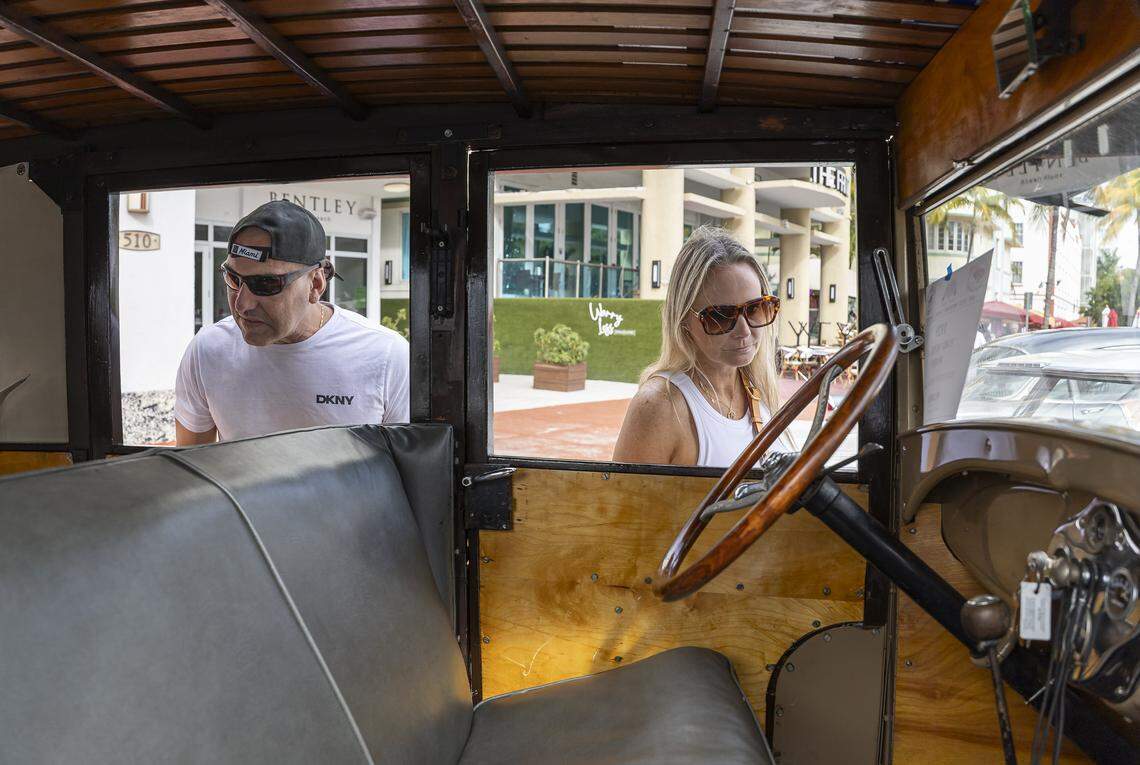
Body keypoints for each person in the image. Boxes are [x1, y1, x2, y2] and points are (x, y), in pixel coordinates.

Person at [174, 200, 409, 444]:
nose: (242, 304)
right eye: (233, 279)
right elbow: (191, 466)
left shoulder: (386, 356)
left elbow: (409, 468)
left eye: (265, 284)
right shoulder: (208, 350)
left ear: (315, 284)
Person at [612, 227, 794, 467]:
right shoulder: (660, 406)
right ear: (684, 319)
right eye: (720, 316)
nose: (744, 331)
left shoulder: (758, 389)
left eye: (755, 308)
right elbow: (626, 502)